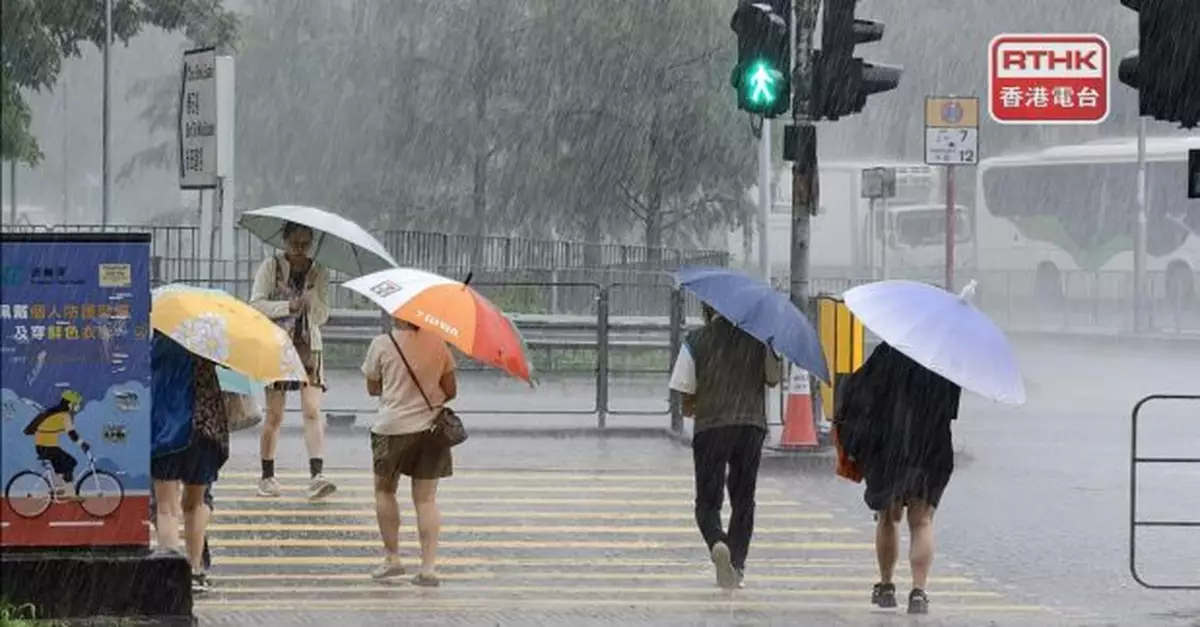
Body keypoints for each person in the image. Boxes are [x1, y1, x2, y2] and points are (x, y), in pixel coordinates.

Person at [833, 342, 961, 615]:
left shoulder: (888, 352)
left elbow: (859, 393)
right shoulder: (944, 360)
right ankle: (918, 592)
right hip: (931, 448)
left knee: (888, 518)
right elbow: (951, 409)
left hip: (888, 447)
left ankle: (886, 586)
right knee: (922, 521)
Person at [668, 303, 781, 590]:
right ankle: (737, 565)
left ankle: (717, 541)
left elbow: (684, 391)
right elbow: (773, 379)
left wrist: (697, 404)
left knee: (708, 501)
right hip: (750, 427)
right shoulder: (758, 338)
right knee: (744, 500)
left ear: (707, 309)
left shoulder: (696, 340)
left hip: (711, 427)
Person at [360, 318, 457, 587]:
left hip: (391, 429)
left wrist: (396, 388)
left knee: (385, 491)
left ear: (398, 316)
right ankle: (428, 568)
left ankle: (393, 559)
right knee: (426, 500)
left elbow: (372, 388)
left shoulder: (382, 344)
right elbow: (451, 390)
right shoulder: (439, 345)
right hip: (430, 430)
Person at [249, 221, 336, 501]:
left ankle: (317, 475)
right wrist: (288, 306)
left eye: (305, 244)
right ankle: (267, 476)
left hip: (309, 345)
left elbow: (322, 315)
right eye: (295, 243)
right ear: (284, 241)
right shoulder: (271, 266)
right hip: (277, 345)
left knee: (312, 410)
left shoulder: (319, 271)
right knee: (275, 414)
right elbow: (256, 304)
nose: (300, 249)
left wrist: (312, 302)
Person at [149, 333, 230, 593]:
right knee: (195, 504)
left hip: (166, 429)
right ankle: (195, 572)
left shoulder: (157, 341)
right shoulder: (209, 338)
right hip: (203, 429)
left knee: (166, 508)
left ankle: (171, 576)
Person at [23, 390, 90, 497]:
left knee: (64, 465)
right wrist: (82, 444)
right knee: (71, 462)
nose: (78, 406)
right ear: (70, 404)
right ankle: (69, 492)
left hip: (43, 447)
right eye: (76, 404)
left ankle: (62, 489)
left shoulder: (54, 412)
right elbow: (72, 434)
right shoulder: (64, 415)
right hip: (48, 447)